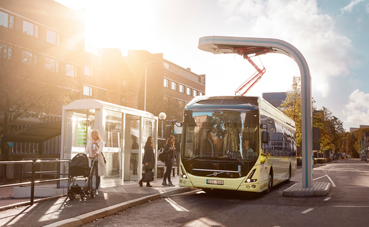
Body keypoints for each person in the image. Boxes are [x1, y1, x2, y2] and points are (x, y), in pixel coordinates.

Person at [85, 129, 106, 196]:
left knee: (97, 174)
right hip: (91, 160)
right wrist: (83, 155)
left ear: (97, 135)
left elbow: (100, 150)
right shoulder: (90, 142)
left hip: (98, 160)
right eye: (93, 135)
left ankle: (96, 189)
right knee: (90, 174)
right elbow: (87, 150)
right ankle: (88, 188)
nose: (94, 136)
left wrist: (95, 154)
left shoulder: (100, 142)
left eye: (95, 135)